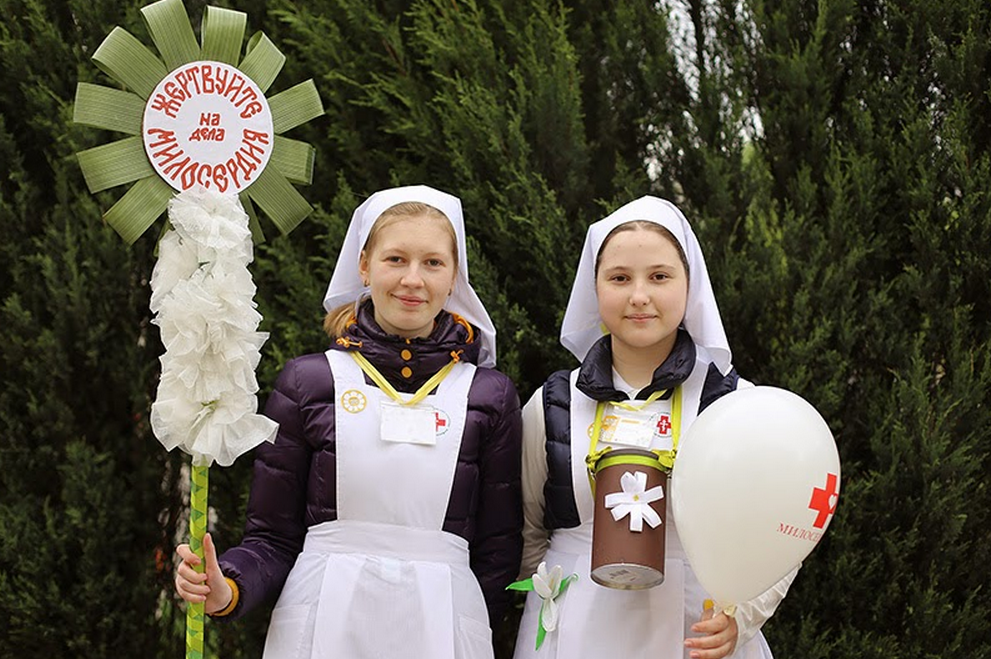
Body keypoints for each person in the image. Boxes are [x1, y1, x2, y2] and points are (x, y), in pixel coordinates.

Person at [174, 185, 523, 659]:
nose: (413, 280)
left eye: (433, 263)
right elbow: (273, 538)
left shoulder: (490, 395)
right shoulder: (308, 381)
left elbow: (498, 551)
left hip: (444, 627)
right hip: (323, 622)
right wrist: (227, 588)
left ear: (454, 275)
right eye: (395, 259)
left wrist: (468, 626)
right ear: (364, 265)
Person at [514, 196, 797, 659]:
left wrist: (742, 614)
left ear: (690, 286)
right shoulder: (552, 402)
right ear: (595, 287)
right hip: (573, 631)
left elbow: (783, 528)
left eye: (660, 277)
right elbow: (527, 527)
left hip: (698, 632)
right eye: (620, 278)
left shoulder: (734, 402)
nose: (639, 295)